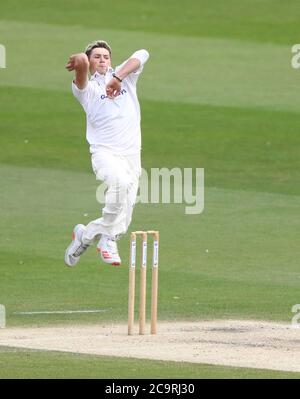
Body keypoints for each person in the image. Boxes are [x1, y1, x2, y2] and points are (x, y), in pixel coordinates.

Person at [64, 40, 149, 267]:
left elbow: (142, 53)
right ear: (91, 63)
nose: (102, 60)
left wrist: (118, 77)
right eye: (96, 57)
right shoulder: (88, 90)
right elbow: (81, 70)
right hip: (105, 153)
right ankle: (107, 241)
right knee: (119, 183)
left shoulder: (126, 78)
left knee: (125, 220)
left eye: (105, 56)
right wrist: (82, 60)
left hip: (132, 156)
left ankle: (86, 235)